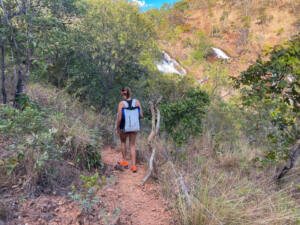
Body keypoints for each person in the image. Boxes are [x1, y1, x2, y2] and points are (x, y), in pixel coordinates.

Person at [115, 87, 143, 173]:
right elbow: (141, 115)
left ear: (123, 94)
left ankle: (124, 161)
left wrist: (117, 127)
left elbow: (119, 118)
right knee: (132, 145)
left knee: (123, 142)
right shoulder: (137, 102)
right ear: (130, 93)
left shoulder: (121, 104)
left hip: (124, 127)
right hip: (134, 127)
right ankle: (133, 166)